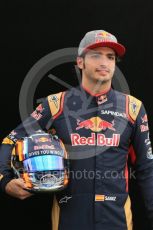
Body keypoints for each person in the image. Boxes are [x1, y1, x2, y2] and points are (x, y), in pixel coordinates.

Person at [0, 29, 153, 230]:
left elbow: (146, 168)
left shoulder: (132, 108)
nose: (104, 62)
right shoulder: (55, 104)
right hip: (69, 218)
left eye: (110, 57)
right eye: (96, 55)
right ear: (80, 62)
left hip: (117, 220)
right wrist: (5, 181)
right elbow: (10, 141)